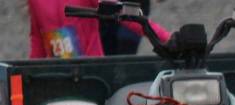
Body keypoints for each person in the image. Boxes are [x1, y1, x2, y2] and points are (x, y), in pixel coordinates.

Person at [28, 0, 169, 59]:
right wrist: (29, 74)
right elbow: (37, 38)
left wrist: (168, 38)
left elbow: (123, 13)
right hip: (56, 75)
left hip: (91, 71)